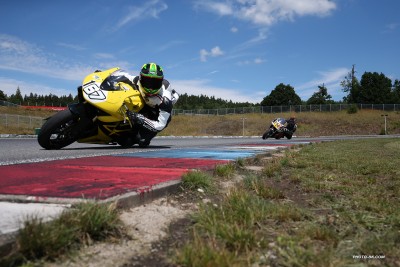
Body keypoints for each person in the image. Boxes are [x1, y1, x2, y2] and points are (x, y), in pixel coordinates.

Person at [107, 63, 179, 147]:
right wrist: (105, 78)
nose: (151, 87)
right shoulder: (136, 80)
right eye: (147, 81)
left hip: (156, 112)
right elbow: (121, 74)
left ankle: (142, 136)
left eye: (155, 82)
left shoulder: (165, 100)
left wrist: (141, 118)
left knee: (135, 141)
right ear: (141, 78)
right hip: (145, 103)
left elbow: (160, 125)